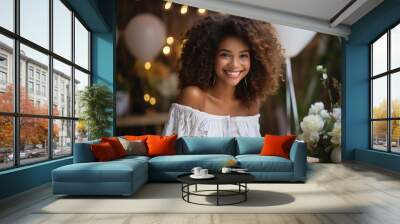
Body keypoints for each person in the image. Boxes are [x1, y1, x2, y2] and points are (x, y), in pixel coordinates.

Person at [163, 15, 284, 138]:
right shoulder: (193, 97)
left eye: (243, 56)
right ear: (210, 56)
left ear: (254, 59)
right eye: (225, 55)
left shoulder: (251, 104)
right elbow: (171, 153)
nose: (235, 65)